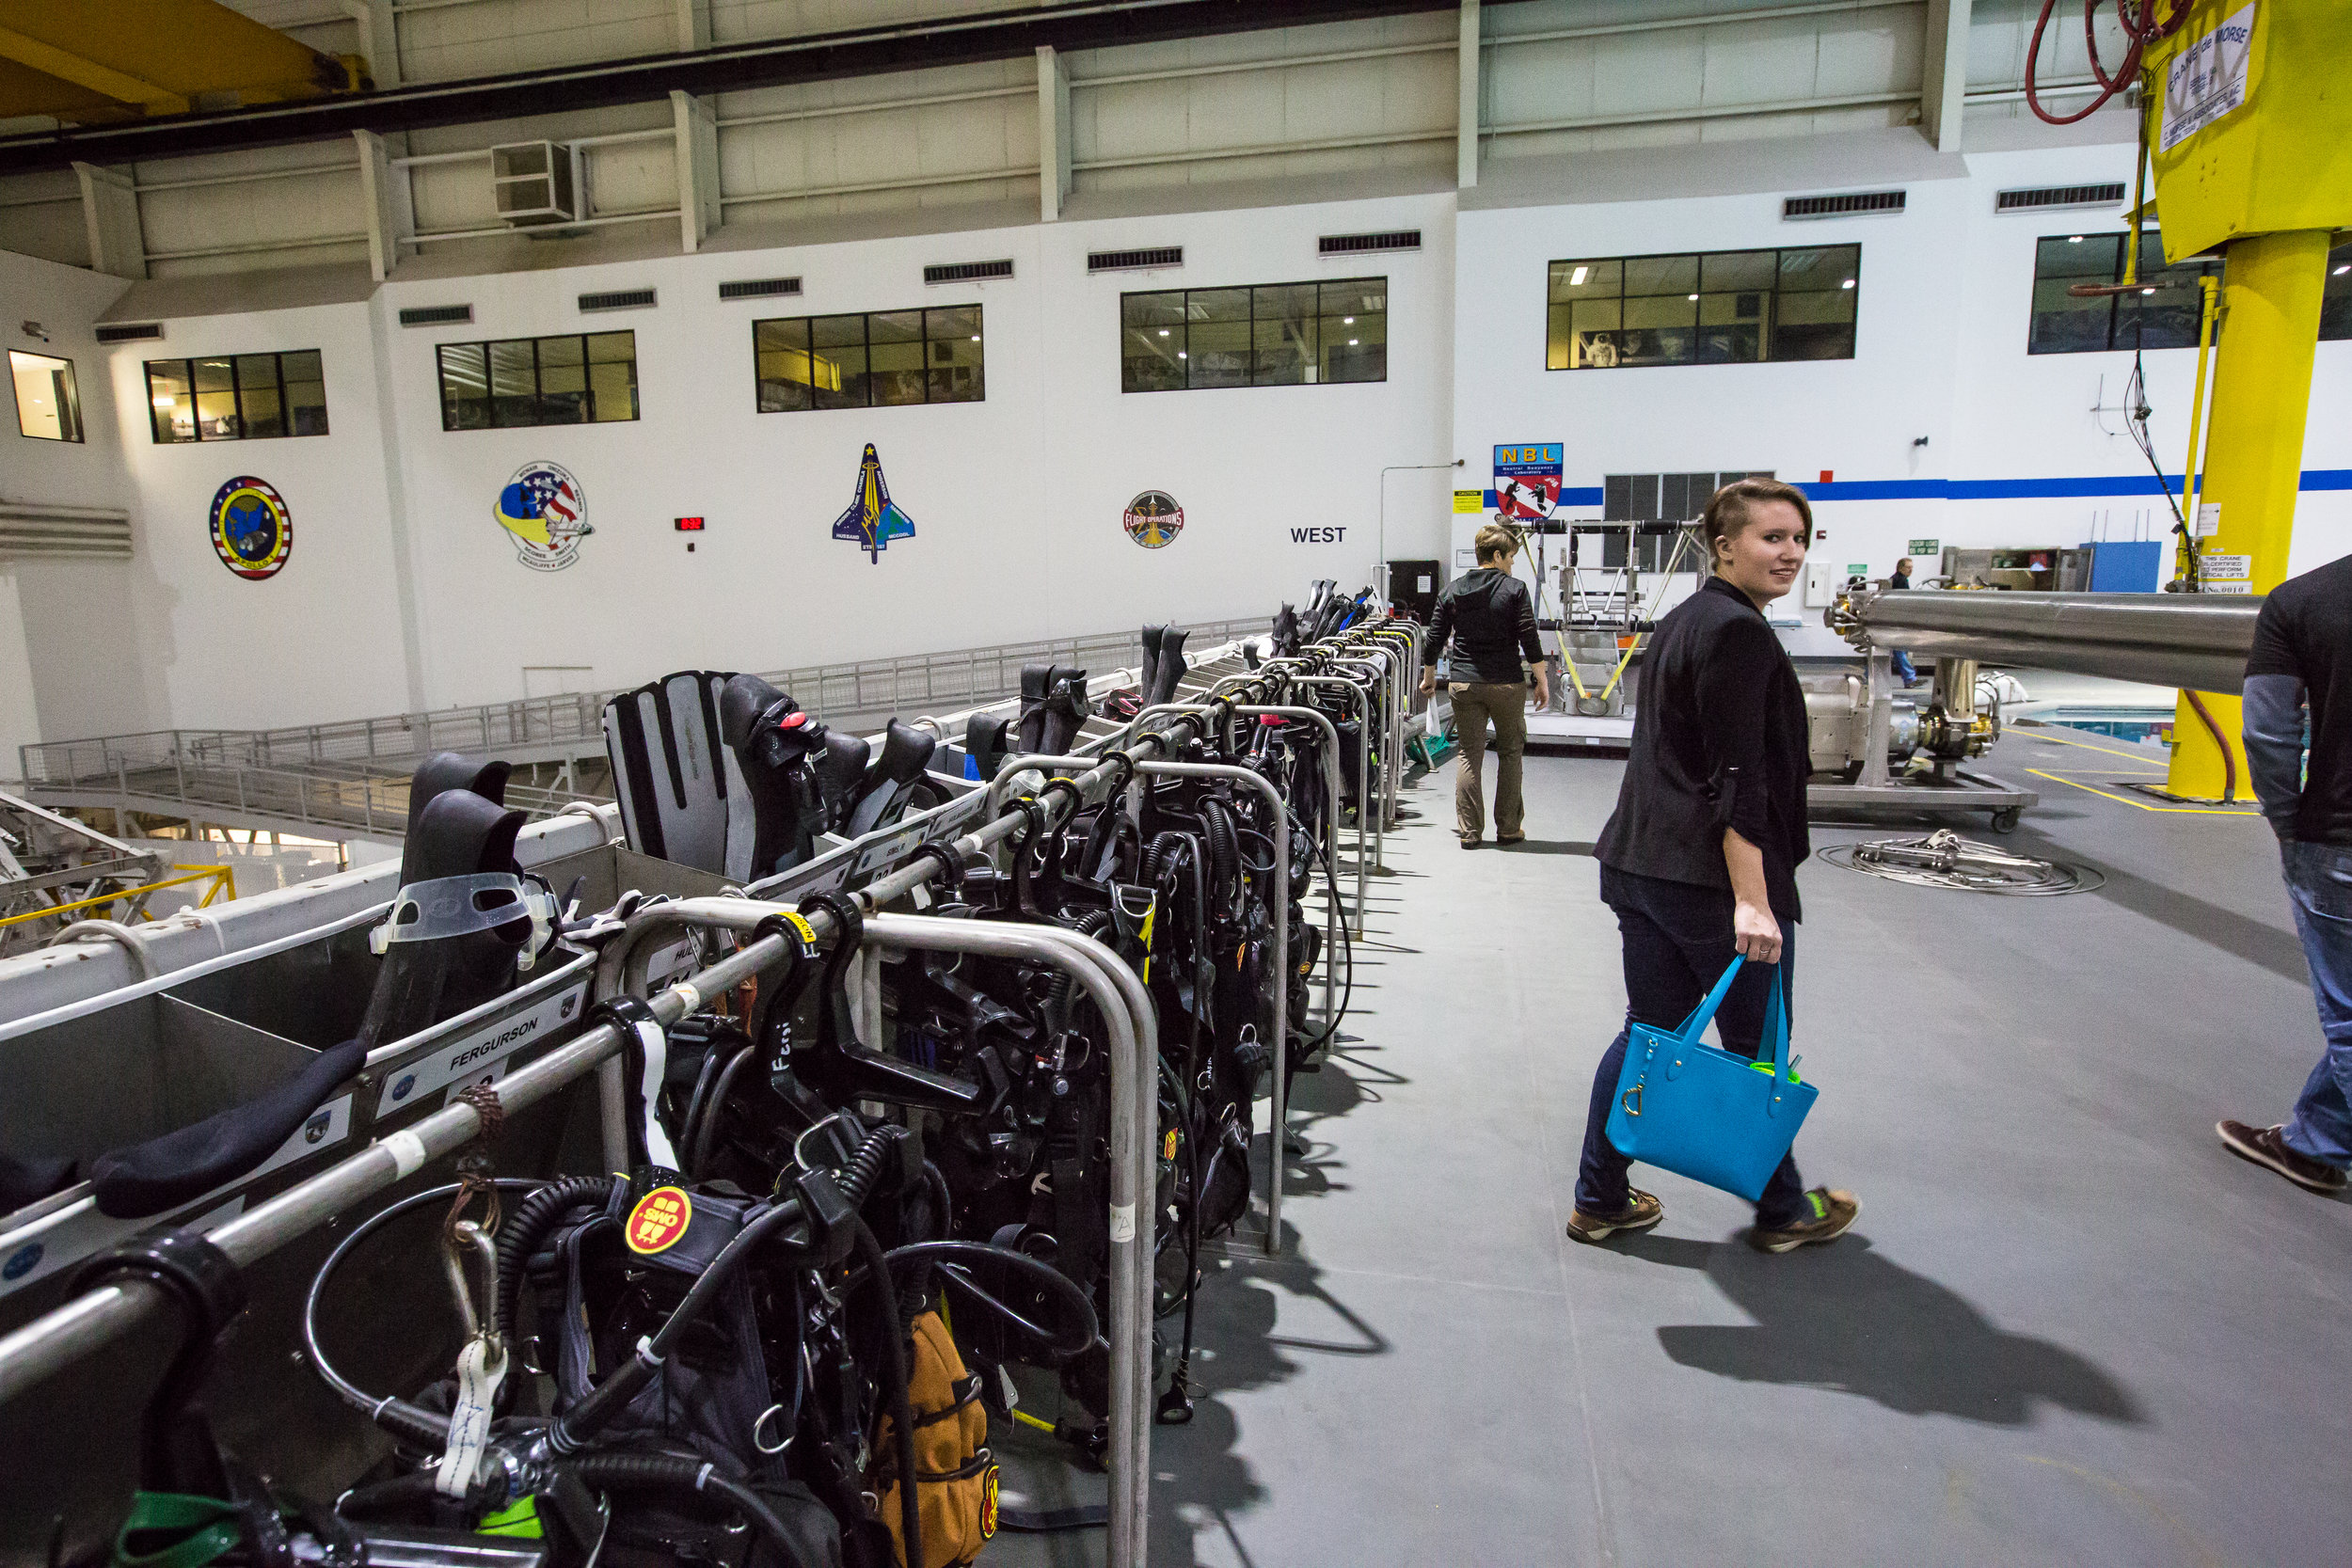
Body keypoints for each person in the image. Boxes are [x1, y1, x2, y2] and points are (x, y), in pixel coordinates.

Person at [1567, 479, 1859, 1252]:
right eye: (1772, 537)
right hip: (1709, 881)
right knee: (1756, 1052)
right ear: (1723, 545)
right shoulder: (1738, 633)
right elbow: (1737, 781)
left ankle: (1598, 1195)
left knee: (1649, 1032)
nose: (1790, 550)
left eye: (1799, 537)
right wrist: (1753, 902)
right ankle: (1785, 1209)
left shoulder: (1686, 619)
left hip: (1643, 864)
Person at [2219, 554, 2352, 1195]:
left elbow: (2270, 728)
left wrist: (2286, 820)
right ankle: (2315, 1141)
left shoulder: (2304, 600)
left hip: (2338, 841)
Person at [1420, 521, 1549, 847]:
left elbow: (1434, 638)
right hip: (1506, 684)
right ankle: (1508, 829)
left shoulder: (1453, 590)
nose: (1512, 564)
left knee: (1468, 754)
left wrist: (1429, 676)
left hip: (1465, 683)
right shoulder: (1515, 589)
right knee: (1510, 753)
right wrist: (1542, 680)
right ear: (1496, 555)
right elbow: (1529, 638)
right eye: (1510, 557)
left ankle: (1470, 832)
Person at [1886, 558, 1917, 687]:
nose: (1911, 569)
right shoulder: (1902, 580)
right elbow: (1904, 600)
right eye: (1908, 567)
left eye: (1912, 567)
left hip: (1893, 618)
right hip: (1897, 620)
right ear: (1900, 568)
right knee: (1899, 650)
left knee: (1899, 650)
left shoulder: (1894, 579)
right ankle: (1909, 677)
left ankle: (1909, 677)